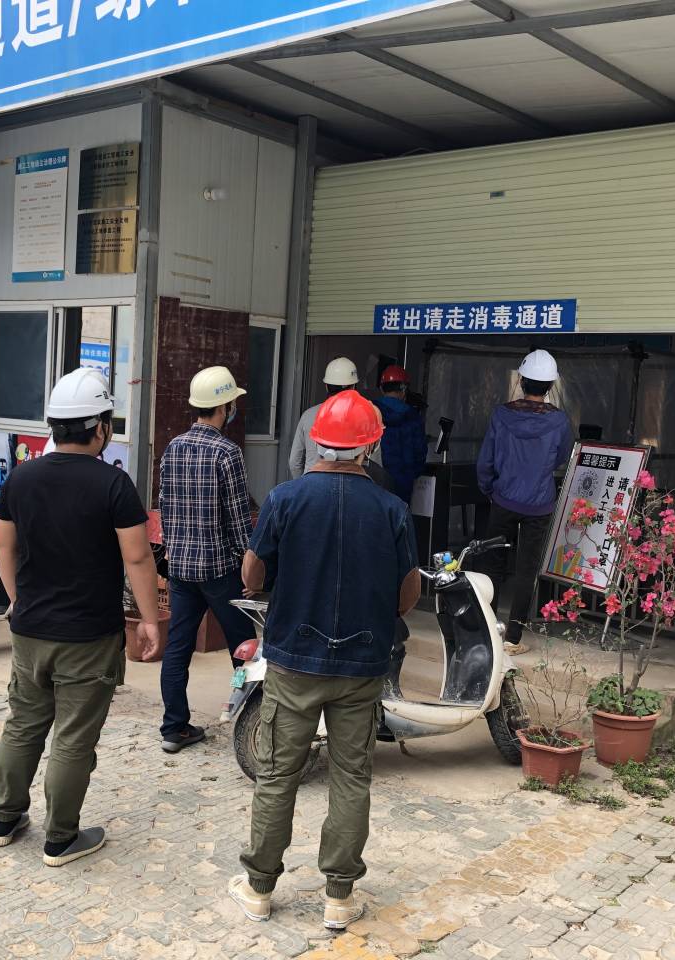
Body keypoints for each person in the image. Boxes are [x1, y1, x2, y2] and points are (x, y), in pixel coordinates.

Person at [229, 389, 420, 930]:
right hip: (362, 665)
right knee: (351, 777)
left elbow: (251, 575)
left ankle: (259, 888)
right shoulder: (392, 509)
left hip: (294, 661)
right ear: (370, 446)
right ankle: (339, 896)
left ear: (316, 442)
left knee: (277, 775)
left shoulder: (284, 499)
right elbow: (408, 593)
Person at [0, 369, 162, 868]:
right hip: (88, 635)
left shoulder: (21, 477)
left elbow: (4, 545)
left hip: (30, 631)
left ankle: (5, 819)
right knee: (73, 737)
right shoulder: (114, 484)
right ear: (101, 427)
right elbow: (137, 558)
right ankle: (61, 838)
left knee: (23, 724)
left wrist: (18, 599)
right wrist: (149, 620)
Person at [157, 365, 258, 753]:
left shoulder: (173, 447)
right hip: (220, 570)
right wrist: (250, 566)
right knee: (245, 649)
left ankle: (174, 728)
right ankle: (252, 718)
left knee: (177, 648)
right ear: (225, 407)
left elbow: (165, 507)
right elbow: (238, 518)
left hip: (181, 570)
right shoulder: (227, 452)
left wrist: (174, 549)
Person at [475, 350, 574, 650]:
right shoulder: (559, 421)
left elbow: (486, 460)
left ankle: (490, 632)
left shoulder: (501, 415)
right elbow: (562, 456)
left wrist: (489, 488)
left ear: (520, 380)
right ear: (550, 385)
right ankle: (513, 638)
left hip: (504, 499)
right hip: (539, 503)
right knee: (526, 570)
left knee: (493, 565)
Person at [288, 357, 360, 477]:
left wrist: (302, 484)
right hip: (350, 485)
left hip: (311, 482)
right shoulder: (363, 418)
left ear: (326, 386)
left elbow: (294, 462)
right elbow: (374, 464)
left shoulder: (308, 415)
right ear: (353, 387)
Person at [375, 365, 428, 503]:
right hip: (403, 486)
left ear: (381, 388)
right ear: (404, 389)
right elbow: (420, 454)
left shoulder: (370, 411)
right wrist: (410, 475)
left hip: (373, 483)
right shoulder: (413, 417)